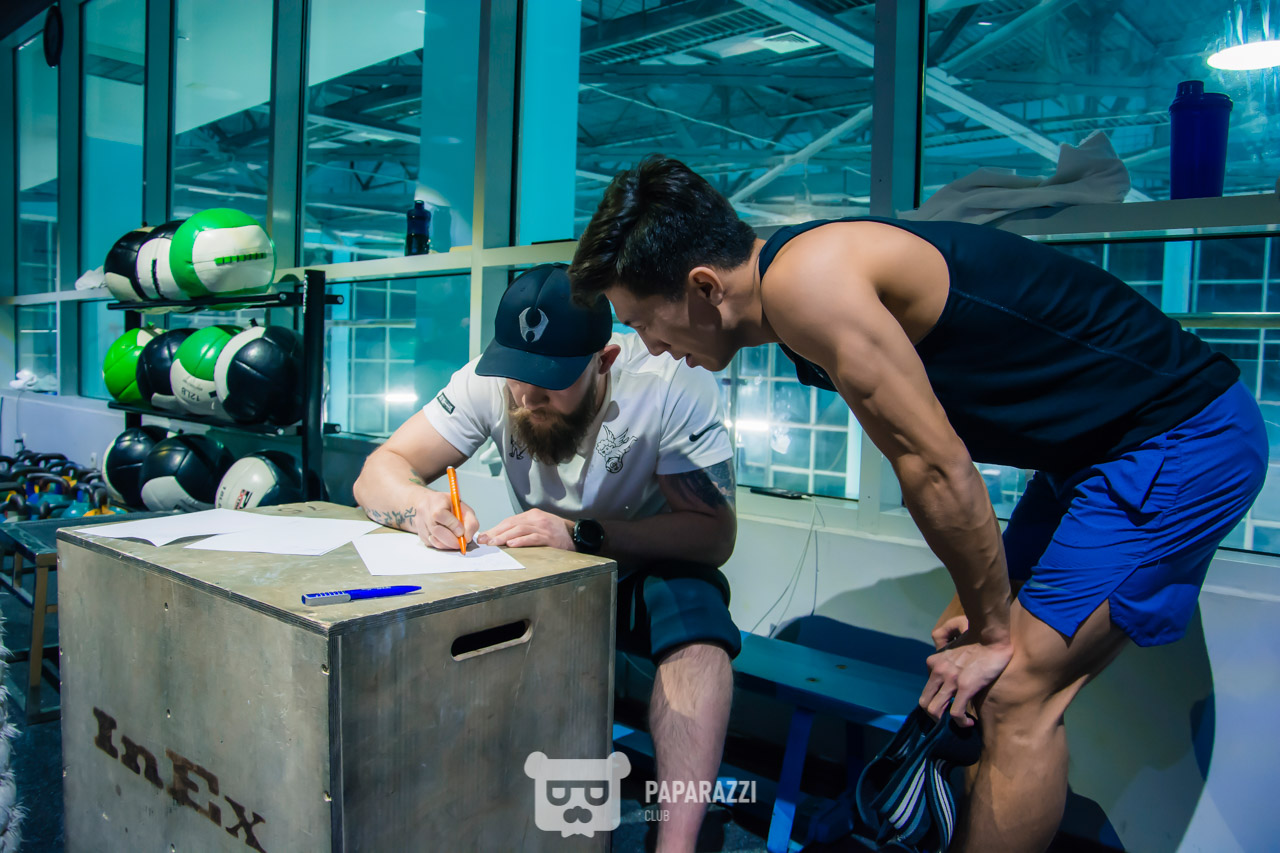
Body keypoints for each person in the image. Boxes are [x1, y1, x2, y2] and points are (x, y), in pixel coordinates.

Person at [568, 156, 1268, 853]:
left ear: (703, 286)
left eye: (644, 322)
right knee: (977, 676)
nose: (650, 346)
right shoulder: (795, 278)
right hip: (1089, 452)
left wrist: (995, 631)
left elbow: (935, 469)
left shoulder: (808, 285)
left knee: (1016, 689)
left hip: (1181, 436)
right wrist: (981, 614)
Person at [353, 263, 740, 853]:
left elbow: (714, 535)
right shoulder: (490, 381)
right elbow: (379, 471)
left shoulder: (671, 382)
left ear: (604, 361)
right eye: (517, 380)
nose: (527, 399)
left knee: (696, 614)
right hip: (547, 568)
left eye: (551, 382)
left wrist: (584, 535)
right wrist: (419, 507)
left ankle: (677, 844)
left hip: (642, 567)